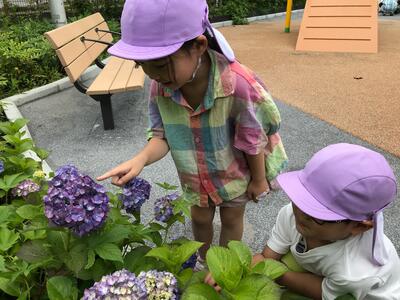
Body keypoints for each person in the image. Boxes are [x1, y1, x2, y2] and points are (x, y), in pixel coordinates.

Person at [97, 0, 287, 262]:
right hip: (194, 178)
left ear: (199, 46)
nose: (153, 75)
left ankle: (225, 265)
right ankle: (204, 262)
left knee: (232, 219)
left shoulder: (238, 85)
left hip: (234, 175)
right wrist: (139, 160)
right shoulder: (160, 86)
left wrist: (258, 180)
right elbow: (161, 136)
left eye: (160, 65)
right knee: (199, 217)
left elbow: (253, 139)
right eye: (143, 65)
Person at [207, 143, 400, 299]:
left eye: (316, 215)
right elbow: (268, 257)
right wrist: (229, 272)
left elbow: (322, 291)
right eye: (300, 200)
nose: (300, 214)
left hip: (360, 293)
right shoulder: (295, 215)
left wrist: (276, 272)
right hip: (326, 268)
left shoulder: (355, 269)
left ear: (358, 226)